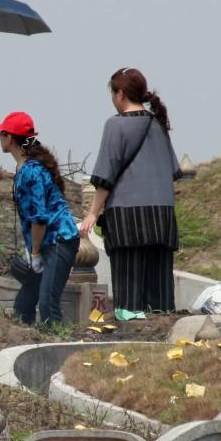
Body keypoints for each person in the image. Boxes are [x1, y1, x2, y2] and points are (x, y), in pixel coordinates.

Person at [79, 67, 182, 312]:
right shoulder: (157, 123)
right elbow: (173, 172)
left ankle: (132, 335)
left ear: (120, 94)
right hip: (163, 216)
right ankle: (163, 336)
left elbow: (105, 177)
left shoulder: (115, 125)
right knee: (161, 293)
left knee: (129, 295)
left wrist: (93, 213)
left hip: (127, 217)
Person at [0, 111, 79, 325]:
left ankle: (57, 345)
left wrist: (35, 253)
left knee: (48, 303)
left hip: (59, 239)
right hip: (47, 242)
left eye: (0, 134)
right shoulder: (25, 168)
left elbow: (39, 218)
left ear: (10, 138)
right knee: (24, 302)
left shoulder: (31, 171)